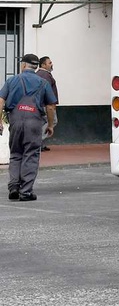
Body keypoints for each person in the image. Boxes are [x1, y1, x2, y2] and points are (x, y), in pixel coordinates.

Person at [0, 54, 58, 202]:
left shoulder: (12, 80)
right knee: (30, 154)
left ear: (23, 65)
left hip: (15, 120)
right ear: (36, 66)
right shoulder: (43, 82)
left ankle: (14, 187)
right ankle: (25, 192)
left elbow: (1, 100)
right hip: (34, 121)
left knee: (15, 153)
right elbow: (51, 106)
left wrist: (0, 121)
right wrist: (50, 125)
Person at [36, 57, 58, 151]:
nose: (51, 64)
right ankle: (38, 142)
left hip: (42, 104)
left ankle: (40, 144)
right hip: (46, 105)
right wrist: (51, 105)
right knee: (52, 121)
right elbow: (47, 90)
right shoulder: (45, 75)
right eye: (49, 63)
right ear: (43, 65)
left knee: (42, 123)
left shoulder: (41, 74)